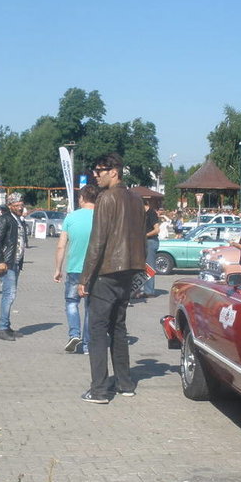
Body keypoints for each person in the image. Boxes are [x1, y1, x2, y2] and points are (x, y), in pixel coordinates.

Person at [77, 153, 145, 404]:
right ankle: (125, 384)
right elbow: (141, 238)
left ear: (114, 171)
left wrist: (84, 278)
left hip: (106, 272)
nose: (96, 174)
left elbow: (97, 242)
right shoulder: (137, 200)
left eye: (99, 170)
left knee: (97, 331)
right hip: (129, 271)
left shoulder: (106, 198)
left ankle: (99, 390)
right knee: (118, 327)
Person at [54, 184, 97, 354]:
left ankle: (74, 333)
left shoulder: (70, 218)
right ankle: (87, 345)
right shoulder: (102, 217)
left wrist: (58, 269)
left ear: (82, 198)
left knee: (72, 302)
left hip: (74, 269)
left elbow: (61, 246)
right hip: (95, 270)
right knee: (90, 307)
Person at [0, 192, 27, 341]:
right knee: (9, 294)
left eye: (21, 205)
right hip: (7, 263)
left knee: (11, 294)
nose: (20, 207)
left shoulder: (18, 219)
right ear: (9, 206)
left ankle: (6, 326)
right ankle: (2, 328)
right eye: (17, 205)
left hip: (15, 262)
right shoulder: (4, 219)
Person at [134, 198, 160, 299]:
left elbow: (157, 230)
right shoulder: (141, 214)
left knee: (149, 267)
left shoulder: (151, 213)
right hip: (143, 242)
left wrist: (145, 235)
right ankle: (141, 289)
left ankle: (149, 291)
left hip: (151, 241)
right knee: (141, 267)